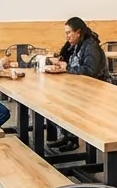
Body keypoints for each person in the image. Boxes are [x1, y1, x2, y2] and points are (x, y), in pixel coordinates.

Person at [44, 18, 107, 152]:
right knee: (53, 99)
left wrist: (67, 67)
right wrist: (60, 61)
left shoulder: (91, 46)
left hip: (95, 90)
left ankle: (72, 139)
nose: (66, 36)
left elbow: (89, 71)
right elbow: (67, 58)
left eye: (69, 33)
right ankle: (68, 137)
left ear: (78, 32)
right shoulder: (76, 44)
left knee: (63, 102)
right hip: (79, 86)